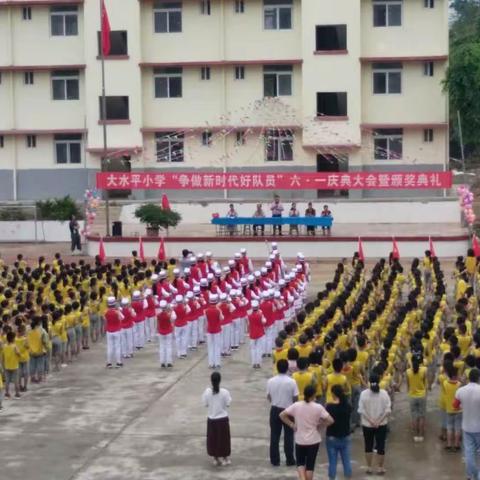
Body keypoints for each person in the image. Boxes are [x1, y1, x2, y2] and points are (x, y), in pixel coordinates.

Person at [280, 385, 334, 480]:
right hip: (313, 440)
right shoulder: (318, 407)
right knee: (310, 466)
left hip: (300, 440)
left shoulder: (297, 405)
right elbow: (330, 420)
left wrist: (292, 424)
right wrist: (320, 425)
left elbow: (282, 415)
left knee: (300, 464)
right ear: (313, 395)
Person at [267, 359, 299, 467]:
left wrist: (276, 401)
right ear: (287, 368)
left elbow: (269, 397)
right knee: (289, 436)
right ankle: (290, 459)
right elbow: (295, 397)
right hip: (288, 410)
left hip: (275, 409)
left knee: (274, 436)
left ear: (277, 368)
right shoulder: (292, 381)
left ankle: (275, 460)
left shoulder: (271, 381)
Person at [358, 374, 391, 475]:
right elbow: (388, 410)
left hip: (367, 425)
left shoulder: (363, 394)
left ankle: (369, 467)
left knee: (368, 446)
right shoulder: (384, 394)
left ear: (368, 380)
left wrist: (371, 421)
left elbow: (361, 410)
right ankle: (380, 468)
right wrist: (379, 421)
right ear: (380, 380)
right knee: (381, 446)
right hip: (381, 424)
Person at [454, 368, 480, 480]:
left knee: (469, 454)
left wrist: (462, 406)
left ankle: (471, 475)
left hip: (467, 427)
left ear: (469, 378)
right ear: (479, 378)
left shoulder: (461, 390)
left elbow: (455, 405)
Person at [202, 372, 232, 467]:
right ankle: (225, 458)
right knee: (223, 440)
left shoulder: (207, 392)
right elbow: (228, 404)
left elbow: (205, 404)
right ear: (220, 380)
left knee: (213, 439)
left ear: (211, 381)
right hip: (222, 419)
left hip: (212, 419)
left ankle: (215, 458)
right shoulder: (225, 392)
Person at [325, 384, 353, 480]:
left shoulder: (329, 407)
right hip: (345, 436)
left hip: (332, 437)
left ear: (334, 394)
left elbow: (326, 421)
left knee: (332, 462)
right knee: (346, 460)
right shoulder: (348, 406)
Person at [406, 356, 428, 442]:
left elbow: (408, 386)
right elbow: (425, 383)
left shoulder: (408, 372)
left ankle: (415, 435)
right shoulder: (424, 370)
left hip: (412, 396)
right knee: (422, 416)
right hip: (422, 395)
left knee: (414, 416)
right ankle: (421, 435)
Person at [3, 331, 21, 398]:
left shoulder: (4, 346)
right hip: (14, 366)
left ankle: (7, 393)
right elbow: (19, 354)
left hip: (7, 366)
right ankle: (17, 393)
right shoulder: (15, 346)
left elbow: (3, 356)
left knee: (7, 381)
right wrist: (19, 354)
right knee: (16, 381)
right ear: (13, 339)